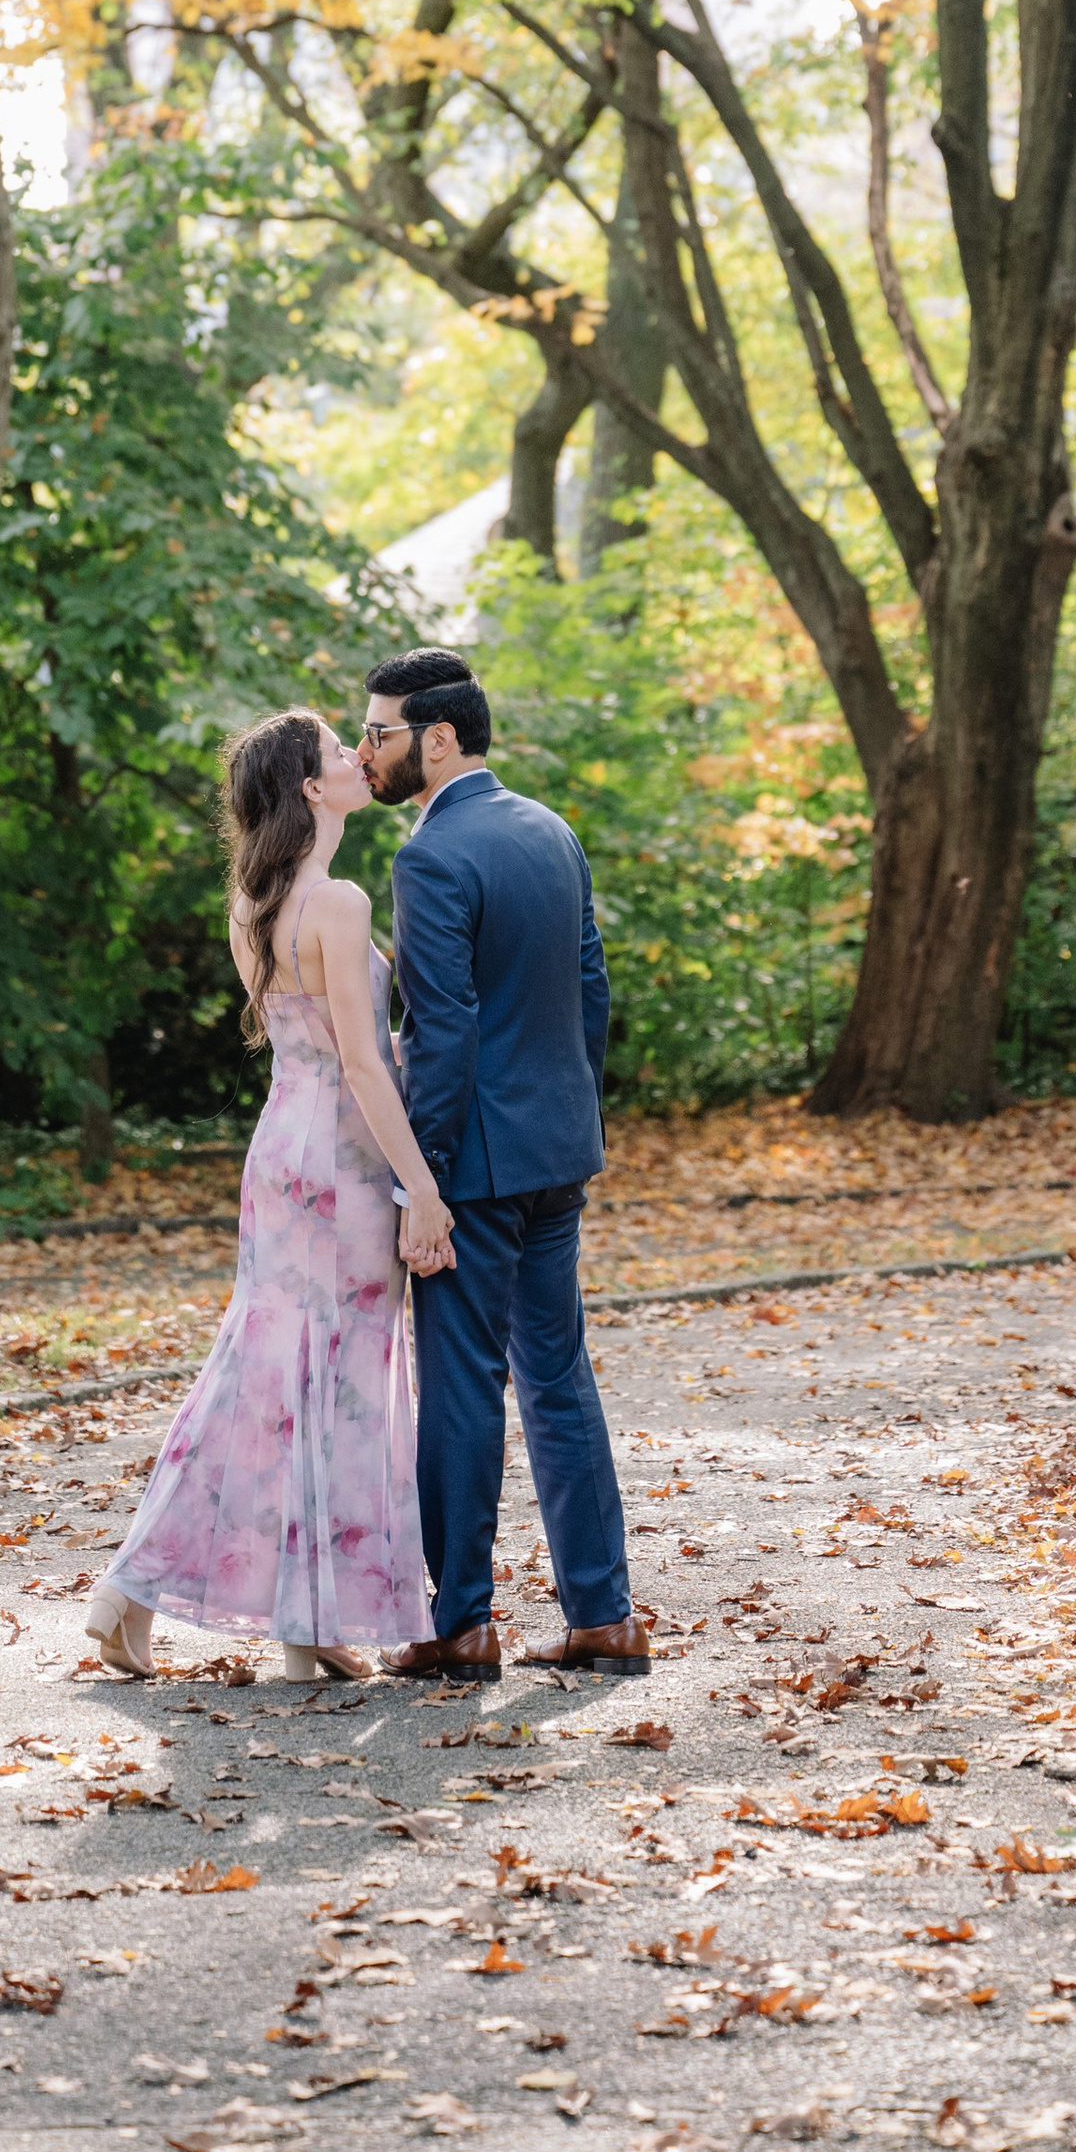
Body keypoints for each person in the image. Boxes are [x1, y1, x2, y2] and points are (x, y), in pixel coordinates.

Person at [84, 708, 447, 1682]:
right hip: (343, 1159)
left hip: (280, 1152)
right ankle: (230, 1598)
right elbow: (366, 1068)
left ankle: (268, 1613)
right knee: (340, 1384)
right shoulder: (335, 901)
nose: (356, 759)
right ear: (306, 787)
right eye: (338, 752)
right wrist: (424, 1190)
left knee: (266, 1375)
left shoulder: (251, 903)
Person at [361, 645, 646, 1684]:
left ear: (437, 739)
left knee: (464, 1386)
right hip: (556, 1150)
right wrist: (570, 1107)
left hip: (474, 1164)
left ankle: (461, 1621)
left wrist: (420, 1182)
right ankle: (603, 1614)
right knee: (559, 1379)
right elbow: (590, 984)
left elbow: (442, 1029)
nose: (367, 751)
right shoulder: (549, 828)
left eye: (379, 733)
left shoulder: (430, 856)